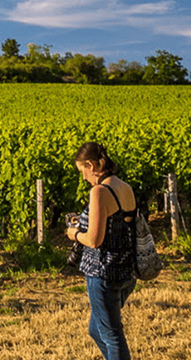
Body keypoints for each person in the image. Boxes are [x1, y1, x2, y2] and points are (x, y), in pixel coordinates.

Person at [65, 142, 138, 360]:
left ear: (91, 165)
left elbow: (95, 240)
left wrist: (73, 233)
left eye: (83, 171)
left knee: (111, 335)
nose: (84, 178)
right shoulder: (124, 187)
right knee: (96, 330)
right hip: (126, 269)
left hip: (103, 272)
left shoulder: (99, 192)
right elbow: (118, 224)